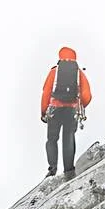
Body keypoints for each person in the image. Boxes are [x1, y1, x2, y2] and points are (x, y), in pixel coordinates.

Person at [41, 46, 93, 178]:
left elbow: (46, 92)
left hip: (54, 110)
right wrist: (80, 105)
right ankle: (69, 171)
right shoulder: (79, 73)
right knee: (68, 138)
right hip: (71, 110)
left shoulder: (54, 72)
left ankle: (52, 169)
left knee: (52, 139)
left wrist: (43, 112)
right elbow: (87, 95)